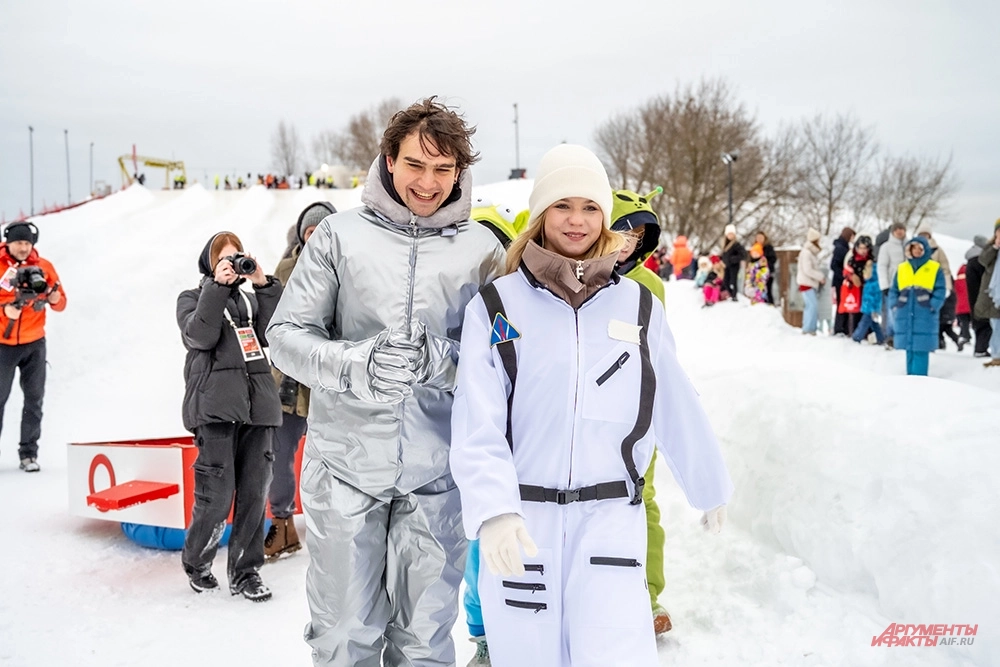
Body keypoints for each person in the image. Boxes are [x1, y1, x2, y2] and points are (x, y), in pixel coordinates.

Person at [450, 144, 732, 667]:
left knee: (614, 654)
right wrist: (494, 510)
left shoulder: (639, 305)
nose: (576, 220)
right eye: (562, 205)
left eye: (589, 207)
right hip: (524, 522)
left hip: (609, 522)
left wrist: (707, 483)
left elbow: (671, 397)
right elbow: (476, 418)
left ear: (605, 216)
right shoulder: (497, 305)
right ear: (540, 214)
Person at [266, 97, 507, 666]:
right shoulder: (337, 238)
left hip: (438, 475)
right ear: (389, 161)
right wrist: (355, 365)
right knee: (345, 633)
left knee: (424, 639)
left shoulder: (483, 252)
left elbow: (506, 360)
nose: (428, 182)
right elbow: (285, 337)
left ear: (460, 173)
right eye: (415, 164)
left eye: (443, 169)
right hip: (347, 468)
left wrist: (441, 360)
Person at [177, 231, 283, 601]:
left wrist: (264, 284)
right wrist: (216, 288)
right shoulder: (192, 298)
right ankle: (197, 562)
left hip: (258, 408)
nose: (233, 262)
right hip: (215, 408)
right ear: (209, 264)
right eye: (224, 258)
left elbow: (279, 333)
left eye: (238, 256)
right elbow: (199, 337)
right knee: (216, 494)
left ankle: (246, 571)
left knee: (255, 492)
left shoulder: (252, 303)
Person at [265, 202, 336, 562]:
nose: (316, 237)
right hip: (290, 383)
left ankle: (337, 527)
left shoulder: (347, 265)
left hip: (328, 379)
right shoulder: (288, 268)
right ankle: (281, 523)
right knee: (279, 453)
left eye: (323, 230)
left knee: (334, 457)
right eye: (311, 231)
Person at [0, 222, 66, 472]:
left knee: (34, 399)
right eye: (18, 243)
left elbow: (61, 303)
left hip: (35, 344)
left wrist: (55, 299)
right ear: (8, 242)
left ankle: (29, 454)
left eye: (27, 243)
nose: (23, 248)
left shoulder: (43, 267)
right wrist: (5, 311)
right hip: (3, 345)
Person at [888, 236, 946, 376]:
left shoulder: (934, 268)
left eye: (920, 249)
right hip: (905, 312)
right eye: (914, 248)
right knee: (909, 349)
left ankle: (919, 380)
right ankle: (909, 379)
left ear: (925, 250)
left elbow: (941, 289)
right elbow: (894, 289)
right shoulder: (902, 268)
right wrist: (894, 304)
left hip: (924, 313)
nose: (917, 251)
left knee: (921, 349)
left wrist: (933, 305)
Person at [915, 222, 959, 350]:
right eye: (921, 234)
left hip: (935, 284)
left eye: (926, 234)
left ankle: (936, 341)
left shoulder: (938, 250)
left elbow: (945, 268)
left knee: (935, 315)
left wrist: (947, 286)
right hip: (920, 285)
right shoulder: (914, 249)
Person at [972, 219, 1000, 367]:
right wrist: (995, 247)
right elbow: (983, 260)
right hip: (994, 294)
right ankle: (997, 355)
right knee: (996, 325)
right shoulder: (990, 248)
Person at [877, 222, 907, 348]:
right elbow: (882, 266)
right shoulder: (886, 247)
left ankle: (903, 336)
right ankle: (890, 336)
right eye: (897, 229)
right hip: (891, 284)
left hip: (907, 284)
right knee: (891, 311)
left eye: (902, 229)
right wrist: (884, 285)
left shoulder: (909, 245)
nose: (899, 231)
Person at [839, 235, 872, 337]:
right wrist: (851, 277)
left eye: (865, 248)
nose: (862, 251)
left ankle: (867, 333)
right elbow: (845, 271)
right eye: (860, 248)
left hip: (868, 289)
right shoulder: (852, 259)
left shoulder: (870, 260)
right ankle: (854, 333)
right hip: (855, 290)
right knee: (854, 313)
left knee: (867, 313)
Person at [965, 235, 993, 357]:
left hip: (974, 296)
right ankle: (981, 349)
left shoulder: (970, 261)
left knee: (979, 321)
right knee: (985, 321)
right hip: (983, 296)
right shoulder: (980, 261)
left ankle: (980, 347)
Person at [797, 228, 826, 335]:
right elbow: (807, 269)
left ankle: (810, 327)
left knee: (811, 305)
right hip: (807, 282)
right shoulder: (806, 253)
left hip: (809, 282)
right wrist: (820, 276)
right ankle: (808, 328)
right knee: (812, 306)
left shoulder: (809, 253)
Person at [851, 258, 884, 345]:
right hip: (869, 306)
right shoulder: (870, 283)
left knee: (864, 322)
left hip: (870, 307)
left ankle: (857, 336)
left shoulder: (873, 284)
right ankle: (881, 338)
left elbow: (874, 297)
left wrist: (872, 307)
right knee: (874, 324)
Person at [831, 226, 856, 336]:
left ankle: (843, 327)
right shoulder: (841, 248)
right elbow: (834, 265)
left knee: (843, 303)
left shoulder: (842, 246)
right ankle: (840, 328)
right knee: (842, 303)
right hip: (840, 281)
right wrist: (844, 276)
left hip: (840, 280)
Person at [721, 224, 745, 301]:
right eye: (729, 234)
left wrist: (733, 259)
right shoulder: (725, 244)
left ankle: (734, 295)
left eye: (731, 234)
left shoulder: (736, 244)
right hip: (727, 265)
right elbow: (724, 255)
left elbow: (743, 254)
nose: (730, 236)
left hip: (734, 265)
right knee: (725, 281)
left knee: (733, 280)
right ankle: (730, 293)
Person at [754, 230, 777, 304]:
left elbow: (773, 259)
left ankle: (770, 304)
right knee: (758, 289)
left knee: (768, 289)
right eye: (758, 238)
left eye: (761, 237)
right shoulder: (755, 248)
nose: (759, 239)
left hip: (768, 272)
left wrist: (766, 264)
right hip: (758, 273)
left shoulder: (768, 247)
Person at [954, 263, 971, 349]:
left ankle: (965, 336)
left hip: (959, 307)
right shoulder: (970, 281)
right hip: (970, 306)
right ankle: (965, 335)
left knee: (963, 322)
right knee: (967, 322)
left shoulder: (956, 282)